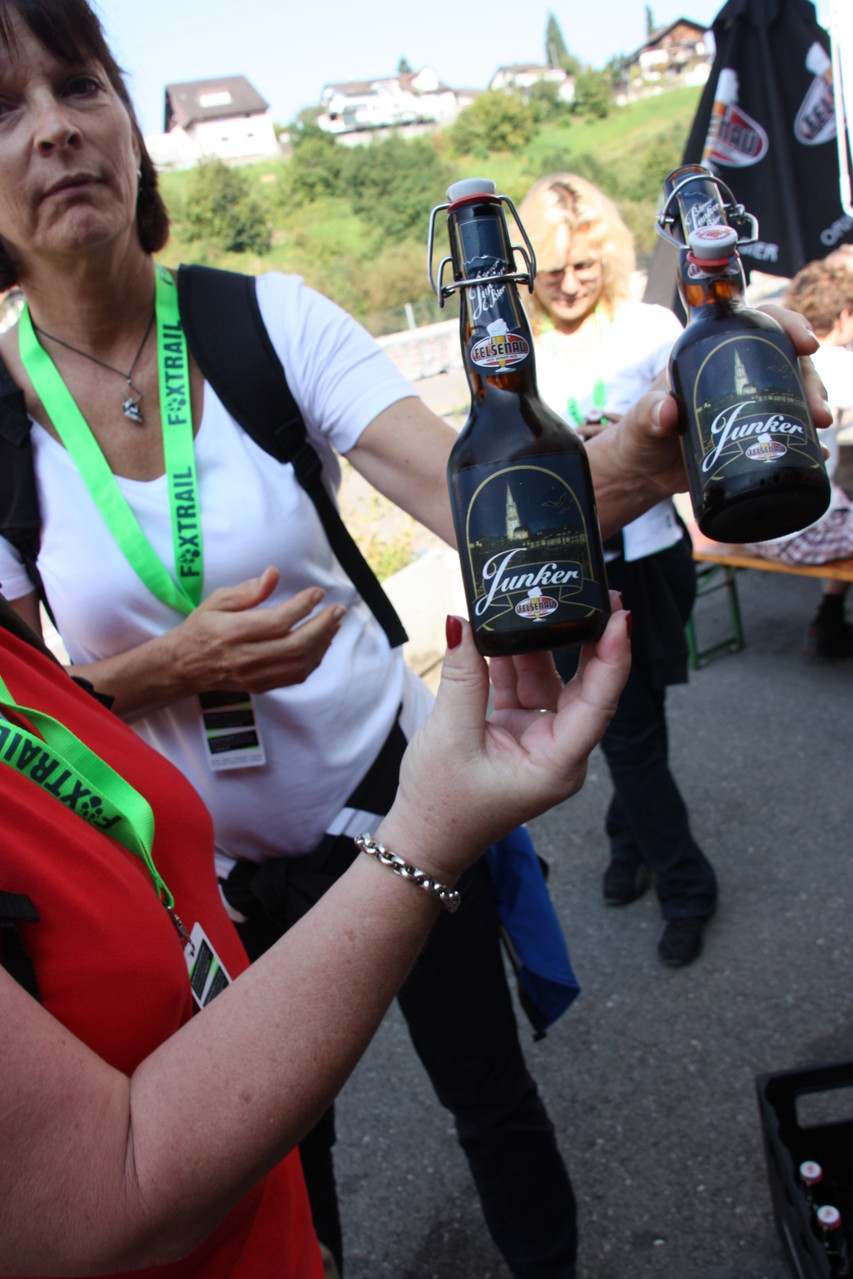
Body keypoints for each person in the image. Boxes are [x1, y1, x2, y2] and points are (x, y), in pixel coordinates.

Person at [0, 2, 831, 1272]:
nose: (55, 129)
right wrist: (165, 671)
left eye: (78, 86)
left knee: (488, 1099)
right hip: (204, 884)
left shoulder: (260, 320)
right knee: (279, 1159)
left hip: (383, 804)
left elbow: (482, 501)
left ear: (129, 120)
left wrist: (655, 453)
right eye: (5, 108)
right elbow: (29, 726)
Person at [0, 588, 634, 1277]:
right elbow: (106, 1186)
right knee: (308, 1135)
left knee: (486, 1086)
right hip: (268, 884)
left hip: (371, 796)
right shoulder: (25, 494)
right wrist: (428, 833)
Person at [517, 173, 718, 968]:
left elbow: (691, 429)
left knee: (636, 724)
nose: (568, 286)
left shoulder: (647, 327)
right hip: (571, 571)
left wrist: (629, 437)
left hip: (653, 558)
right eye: (551, 272)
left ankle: (627, 846)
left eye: (583, 268)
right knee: (626, 734)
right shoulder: (511, 349)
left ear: (607, 258)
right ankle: (685, 882)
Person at [744, 259, 853, 659]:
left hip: (758, 528)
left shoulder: (775, 356)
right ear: (844, 316)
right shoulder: (836, 363)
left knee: (841, 500)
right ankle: (828, 618)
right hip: (798, 532)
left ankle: (829, 617)